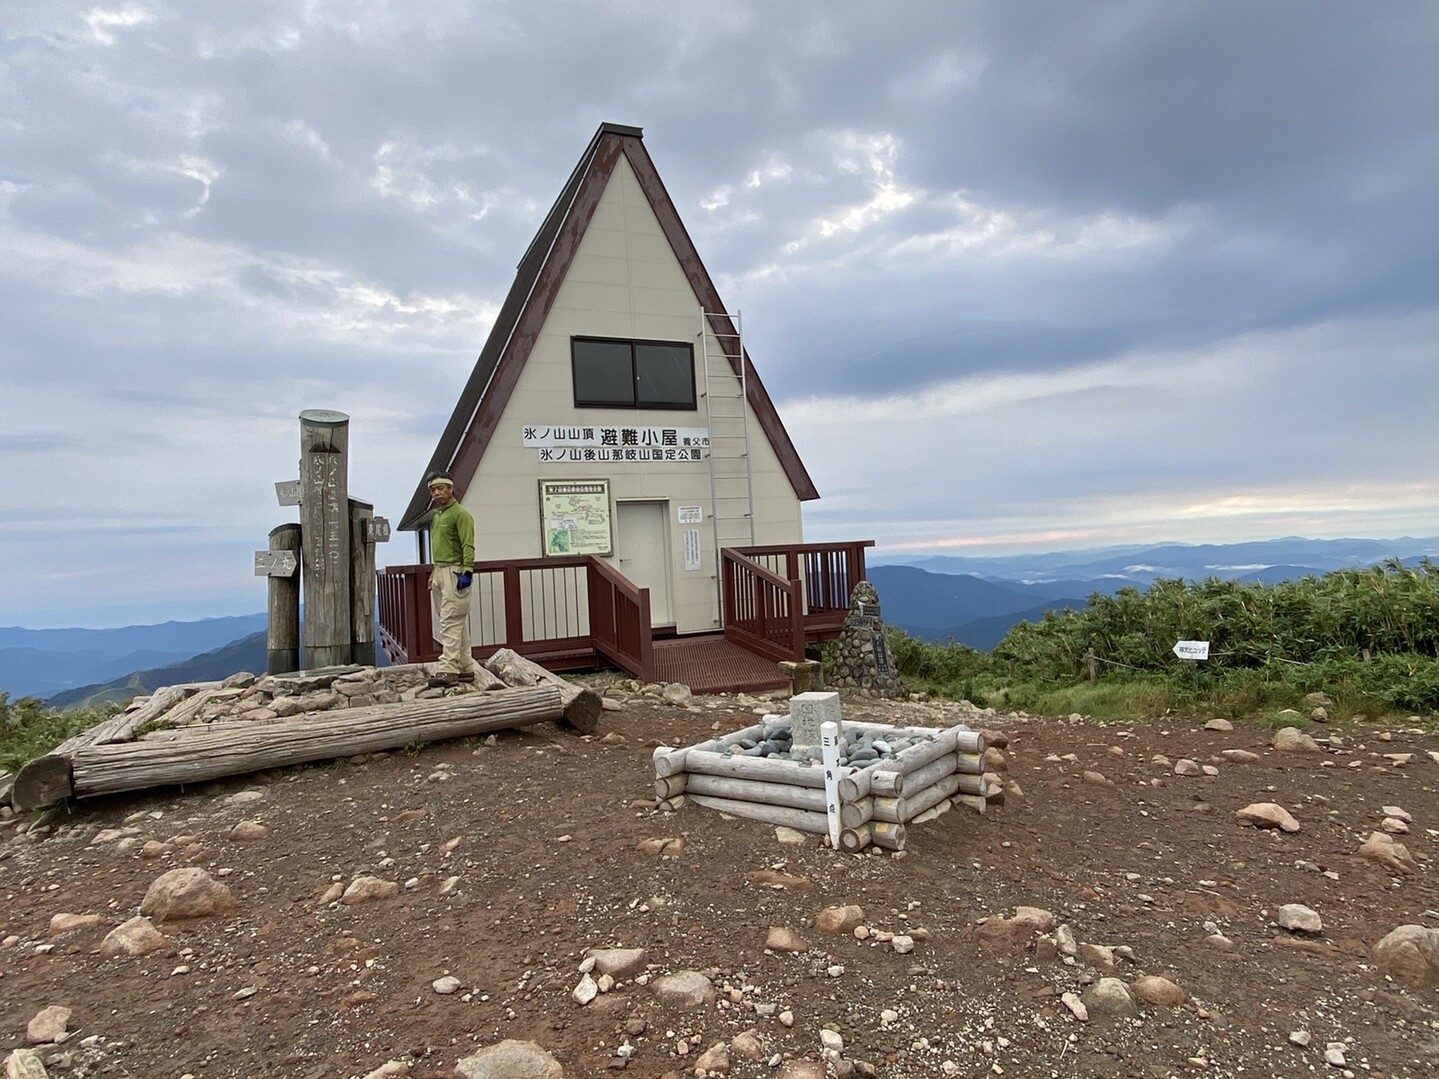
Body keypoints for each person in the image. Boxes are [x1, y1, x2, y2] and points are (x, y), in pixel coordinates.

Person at [425, 470, 476, 687]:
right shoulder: (437, 516)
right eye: (433, 490)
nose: (436, 493)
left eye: (440, 488)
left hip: (455, 570)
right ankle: (465, 666)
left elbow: (468, 544)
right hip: (439, 570)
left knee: (450, 620)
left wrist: (468, 571)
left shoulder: (460, 514)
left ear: (450, 488)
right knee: (455, 620)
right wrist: (433, 573)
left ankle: (448, 668)